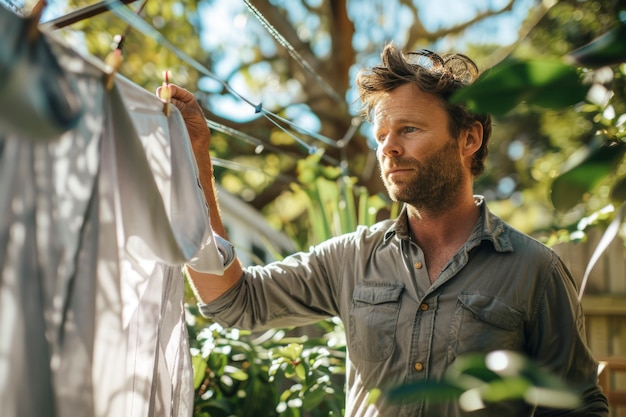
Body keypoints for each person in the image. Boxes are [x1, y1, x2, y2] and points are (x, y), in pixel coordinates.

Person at [158, 44, 608, 417]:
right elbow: (234, 301)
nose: (389, 148)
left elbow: (576, 405)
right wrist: (195, 154)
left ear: (468, 140)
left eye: (408, 129)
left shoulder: (534, 270)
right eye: (381, 136)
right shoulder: (352, 258)